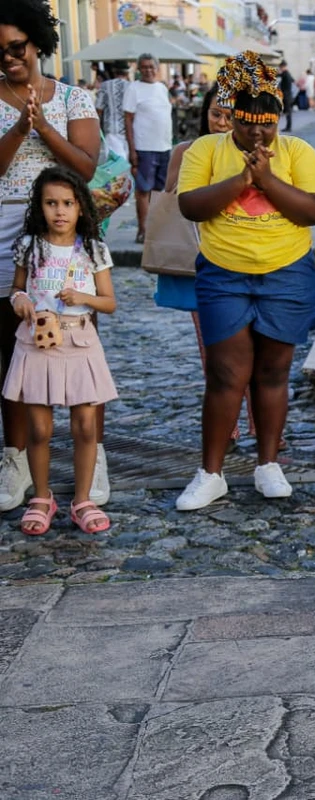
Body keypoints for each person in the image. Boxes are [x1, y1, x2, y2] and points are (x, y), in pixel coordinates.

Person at [174, 51, 315, 511]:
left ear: (279, 118)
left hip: (287, 272)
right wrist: (243, 180)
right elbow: (190, 206)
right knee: (226, 372)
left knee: (274, 371)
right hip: (224, 273)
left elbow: (313, 211)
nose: (257, 133)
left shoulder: (298, 152)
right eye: (246, 124)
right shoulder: (206, 150)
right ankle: (211, 473)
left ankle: (268, 464)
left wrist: (268, 180)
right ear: (232, 117)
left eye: (267, 124)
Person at [0, 0, 103, 513]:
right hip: (5, 235)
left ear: (38, 42)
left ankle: (93, 455)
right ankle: (16, 459)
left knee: (81, 345)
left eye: (16, 47)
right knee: (14, 352)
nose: (9, 58)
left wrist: (43, 127)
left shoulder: (73, 98)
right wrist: (19, 128)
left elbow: (86, 167)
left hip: (66, 238)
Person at [4, 166, 118, 535]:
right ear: (40, 207)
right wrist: (20, 300)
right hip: (37, 342)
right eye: (51, 203)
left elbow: (109, 302)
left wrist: (83, 296)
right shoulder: (29, 246)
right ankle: (41, 497)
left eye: (68, 203)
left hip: (79, 342)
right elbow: (17, 289)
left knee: (85, 426)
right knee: (39, 428)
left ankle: (82, 500)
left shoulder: (94, 249)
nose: (60, 211)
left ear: (81, 207)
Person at [159, 86, 262, 449]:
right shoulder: (185, 151)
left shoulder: (257, 152)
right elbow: (171, 199)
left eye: (230, 115)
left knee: (257, 347)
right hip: (201, 262)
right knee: (215, 352)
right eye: (216, 113)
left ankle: (262, 426)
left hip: (250, 259)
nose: (222, 122)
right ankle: (227, 428)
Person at [124, 53, 173, 244]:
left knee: (159, 191)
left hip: (164, 147)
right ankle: (143, 229)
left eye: (151, 66)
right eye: (144, 67)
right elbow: (128, 120)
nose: (148, 70)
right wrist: (132, 150)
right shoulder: (134, 89)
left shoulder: (162, 88)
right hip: (144, 147)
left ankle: (156, 228)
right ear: (139, 69)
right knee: (143, 190)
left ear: (157, 68)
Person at [94, 60, 130, 160]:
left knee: (115, 162)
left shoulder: (105, 85)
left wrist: (96, 129)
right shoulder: (132, 86)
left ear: (114, 71)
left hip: (111, 129)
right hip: (130, 131)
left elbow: (99, 109)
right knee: (128, 162)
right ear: (127, 72)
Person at [277, 61, 294, 132]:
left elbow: (277, 75)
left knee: (287, 112)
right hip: (288, 94)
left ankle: (288, 127)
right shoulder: (288, 73)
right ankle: (288, 126)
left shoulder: (284, 74)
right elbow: (293, 80)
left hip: (286, 95)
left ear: (282, 67)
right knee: (288, 111)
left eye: (280, 67)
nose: (280, 69)